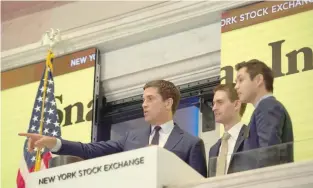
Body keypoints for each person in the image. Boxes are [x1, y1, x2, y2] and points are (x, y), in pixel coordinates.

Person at [19, 80, 207, 177]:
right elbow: (90, 150)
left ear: (168, 102)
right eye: (143, 100)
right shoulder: (130, 138)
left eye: (150, 99)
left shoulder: (191, 144)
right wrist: (55, 143)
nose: (144, 104)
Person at [234, 59, 294, 167]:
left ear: (258, 80)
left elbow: (269, 155)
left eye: (241, 80)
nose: (236, 86)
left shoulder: (267, 106)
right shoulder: (265, 107)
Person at [208, 83, 248, 177]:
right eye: (213, 104)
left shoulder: (252, 137)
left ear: (236, 105)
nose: (214, 108)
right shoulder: (213, 150)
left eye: (220, 102)